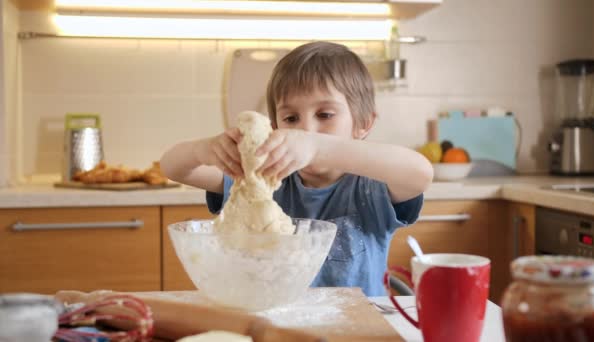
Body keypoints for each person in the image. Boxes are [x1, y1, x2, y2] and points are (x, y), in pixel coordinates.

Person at [160, 41, 433, 296]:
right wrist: (203, 149)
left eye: (324, 115)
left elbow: (420, 173)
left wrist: (317, 146)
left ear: (363, 124)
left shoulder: (370, 188)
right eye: (291, 118)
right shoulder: (263, 179)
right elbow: (174, 168)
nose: (306, 129)